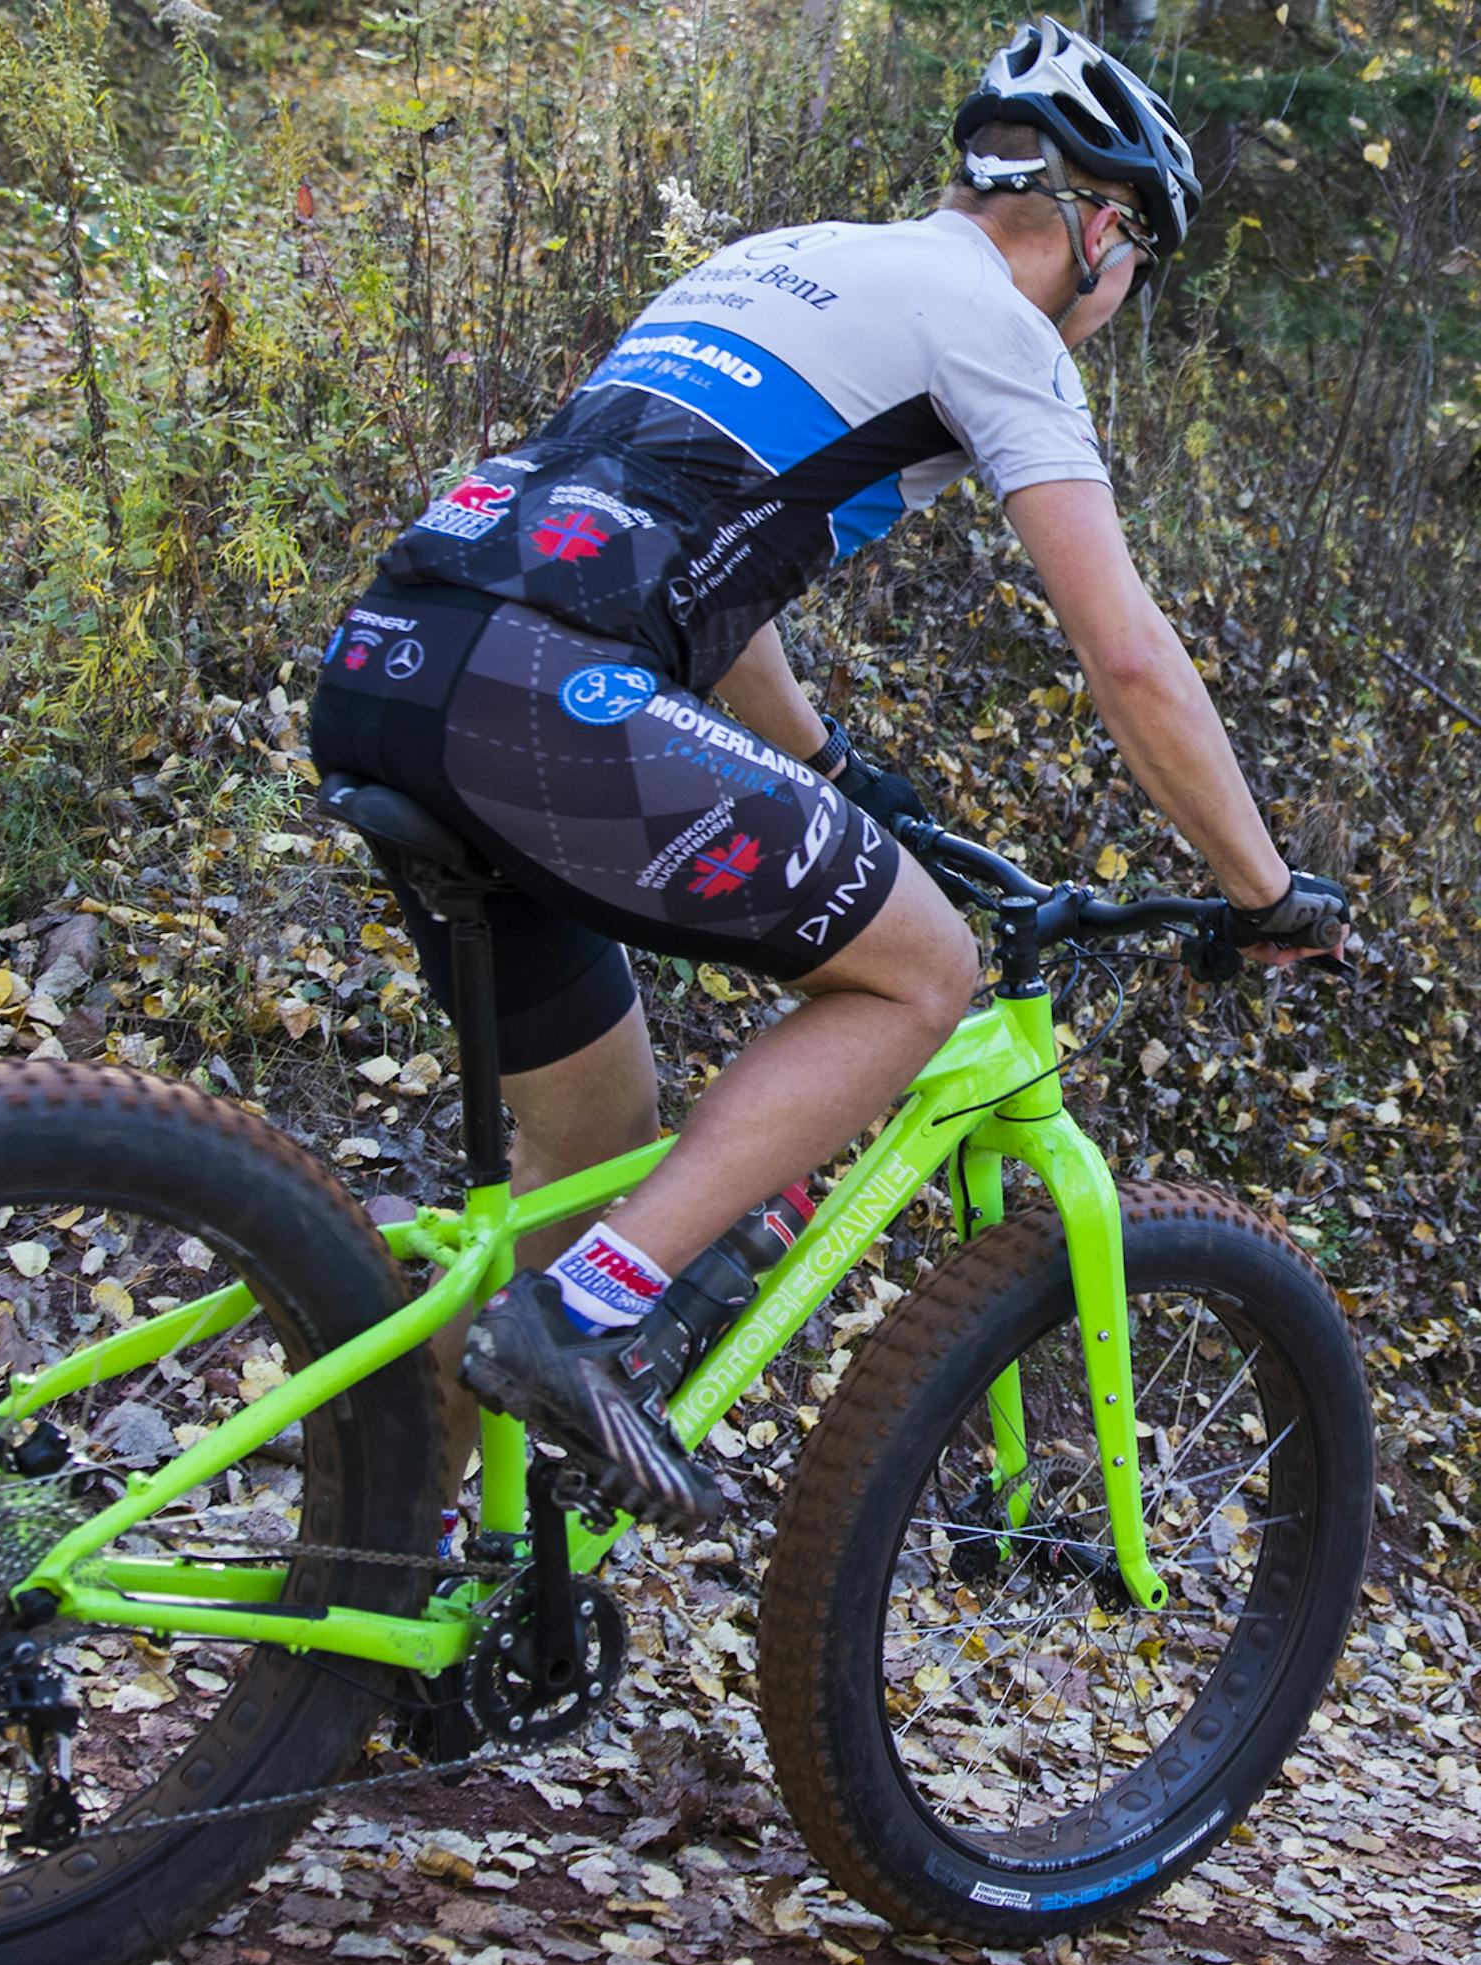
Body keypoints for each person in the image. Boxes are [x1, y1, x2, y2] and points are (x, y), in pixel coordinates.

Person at [309, 17, 1350, 1530]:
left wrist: (829, 765)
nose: (1119, 301)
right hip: (541, 692)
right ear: (1098, 230)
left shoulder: (781, 257)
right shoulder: (989, 320)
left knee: (594, 1154)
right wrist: (1264, 888)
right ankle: (588, 1316)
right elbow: (1126, 655)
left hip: (403, 655)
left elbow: (692, 562)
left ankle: (361, 1591)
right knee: (920, 971)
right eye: (1138, 267)